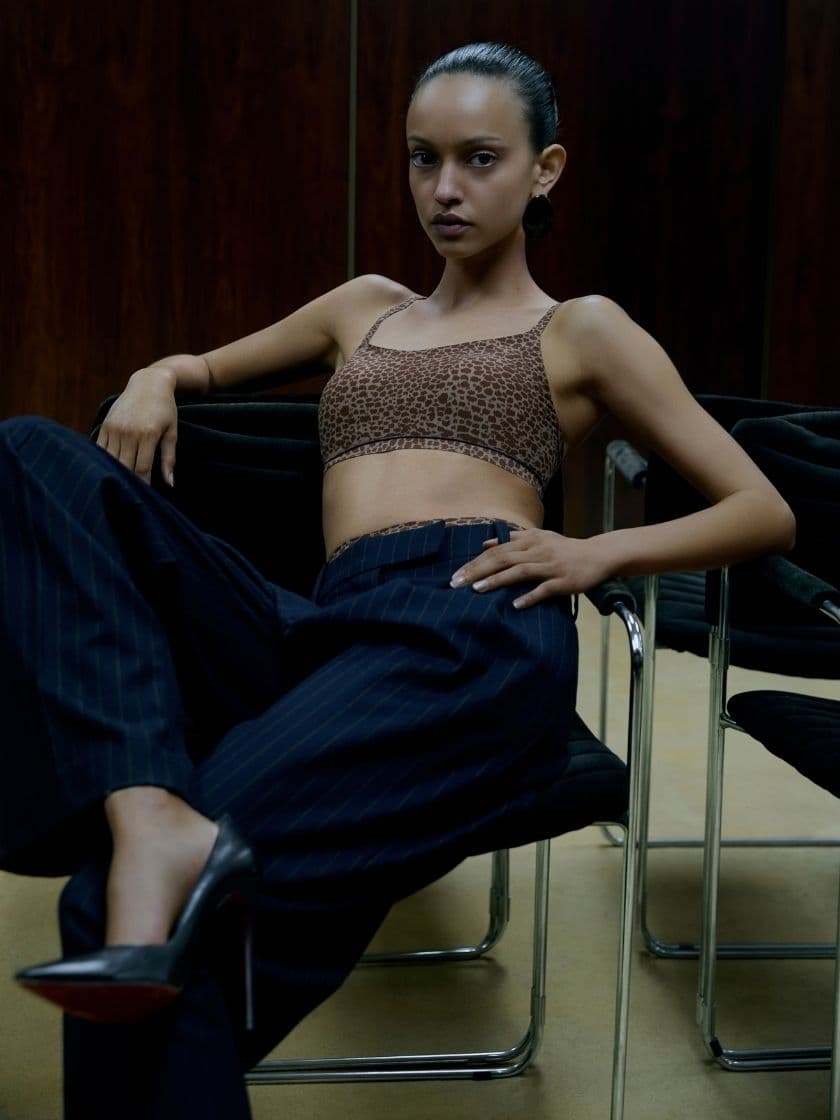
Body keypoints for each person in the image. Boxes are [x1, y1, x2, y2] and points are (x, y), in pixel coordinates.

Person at [0, 41, 794, 1120]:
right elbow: (202, 366)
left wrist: (595, 555)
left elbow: (762, 509)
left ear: (546, 169)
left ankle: (154, 848)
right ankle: (147, 806)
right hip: (324, 628)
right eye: (424, 160)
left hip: (469, 619)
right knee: (31, 453)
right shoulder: (360, 307)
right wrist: (154, 377)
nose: (446, 190)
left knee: (120, 911)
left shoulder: (579, 327)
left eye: (479, 159)